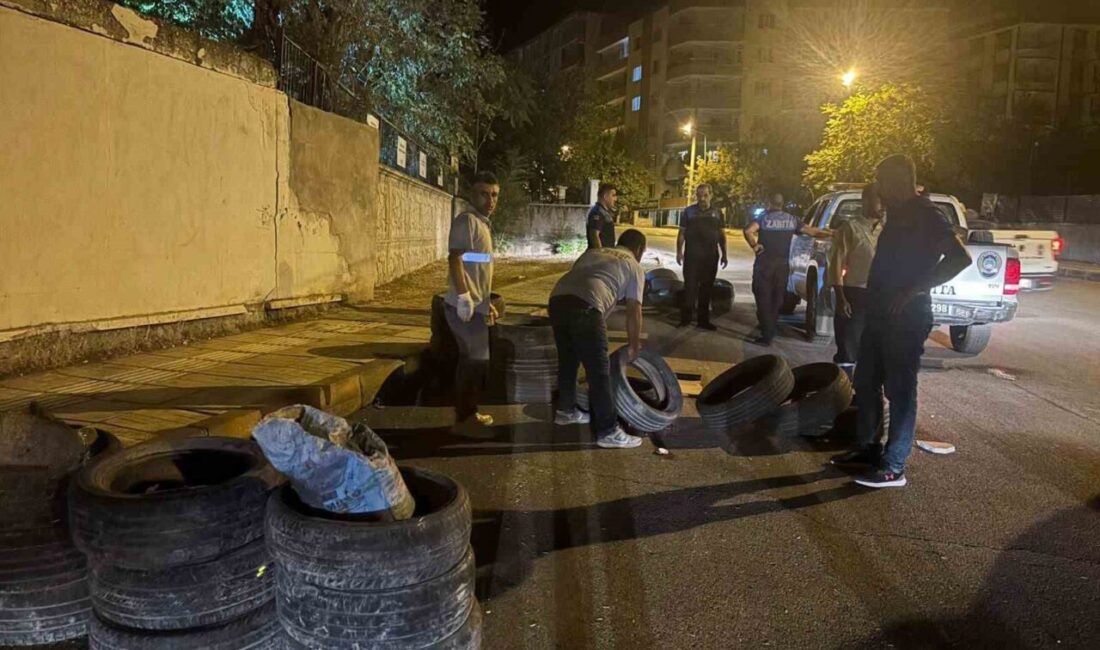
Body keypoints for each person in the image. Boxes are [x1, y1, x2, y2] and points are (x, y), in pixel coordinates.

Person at [831, 155, 972, 488]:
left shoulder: (926, 214)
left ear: (897, 181)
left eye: (881, 181)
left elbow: (959, 258)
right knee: (866, 382)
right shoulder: (897, 213)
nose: (878, 189)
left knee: (900, 390)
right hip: (879, 312)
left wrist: (913, 290)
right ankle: (867, 448)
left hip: (906, 317)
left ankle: (894, 466)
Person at [549, 229, 648, 449]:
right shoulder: (633, 265)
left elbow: (580, 280)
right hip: (586, 306)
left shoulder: (594, 252)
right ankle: (608, 431)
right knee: (599, 371)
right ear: (640, 249)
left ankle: (566, 411)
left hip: (557, 300)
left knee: (568, 361)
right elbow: (634, 310)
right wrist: (633, 345)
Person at [444, 171, 501, 430]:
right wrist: (465, 297)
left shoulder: (482, 224)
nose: (490, 200)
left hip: (474, 305)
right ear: (472, 194)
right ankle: (466, 418)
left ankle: (466, 414)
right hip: (462, 307)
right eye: (484, 194)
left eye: (494, 195)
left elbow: (475, 265)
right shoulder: (466, 220)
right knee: (474, 363)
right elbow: (455, 257)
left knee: (474, 362)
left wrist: (483, 300)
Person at [742, 193, 831, 346]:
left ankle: (767, 333)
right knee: (777, 299)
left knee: (763, 297)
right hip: (782, 265)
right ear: (782, 204)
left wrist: (755, 245)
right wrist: (834, 233)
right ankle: (770, 329)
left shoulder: (764, 218)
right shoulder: (791, 220)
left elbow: (748, 230)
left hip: (764, 264)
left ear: (769, 203)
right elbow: (813, 232)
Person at [827, 183, 884, 379]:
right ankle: (842, 391)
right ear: (866, 201)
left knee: (873, 349)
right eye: (879, 199)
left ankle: (865, 395)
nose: (883, 205)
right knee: (848, 348)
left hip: (879, 296)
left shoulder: (886, 230)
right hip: (854, 295)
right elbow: (836, 263)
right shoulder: (850, 228)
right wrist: (841, 298)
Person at [676, 183, 728, 330]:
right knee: (690, 288)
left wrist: (724, 254)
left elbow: (721, 235)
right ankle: (685, 319)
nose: (702, 198)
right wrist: (679, 252)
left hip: (710, 258)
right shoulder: (689, 212)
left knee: (706, 289)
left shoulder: (718, 213)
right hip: (692, 257)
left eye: (705, 195)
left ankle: (703, 321)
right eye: (699, 195)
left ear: (711, 195)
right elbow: (682, 234)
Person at [586, 183, 618, 249]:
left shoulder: (603, 212)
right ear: (605, 196)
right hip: (600, 256)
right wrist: (601, 255)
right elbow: (594, 235)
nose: (615, 199)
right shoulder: (598, 212)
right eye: (613, 195)